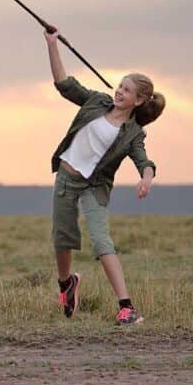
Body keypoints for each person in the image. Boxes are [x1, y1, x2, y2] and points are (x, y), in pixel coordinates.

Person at [44, 27, 164, 325]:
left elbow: (144, 161)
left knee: (101, 241)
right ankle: (66, 284)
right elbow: (64, 84)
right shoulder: (96, 101)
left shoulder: (133, 133)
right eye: (120, 86)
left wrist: (146, 178)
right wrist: (52, 45)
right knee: (63, 238)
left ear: (138, 100)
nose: (119, 91)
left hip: (93, 188)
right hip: (66, 178)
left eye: (127, 90)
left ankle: (126, 307)